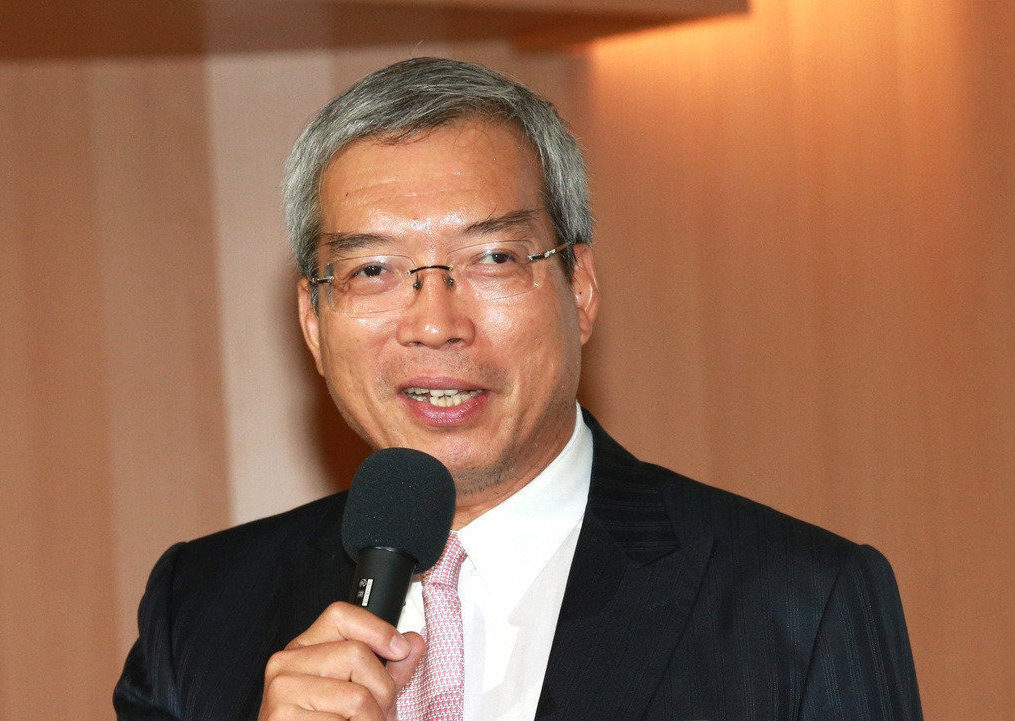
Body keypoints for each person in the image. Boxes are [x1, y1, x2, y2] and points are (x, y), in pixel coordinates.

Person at [114, 57, 923, 721]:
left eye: (493, 259)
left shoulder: (796, 601)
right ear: (313, 321)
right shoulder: (202, 608)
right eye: (374, 269)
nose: (435, 323)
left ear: (580, 289)